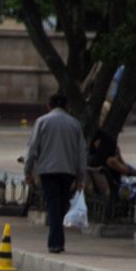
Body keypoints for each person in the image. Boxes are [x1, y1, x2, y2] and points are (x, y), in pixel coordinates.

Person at [24, 93, 87, 253]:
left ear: (49, 106)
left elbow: (32, 149)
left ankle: (55, 242)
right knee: (61, 203)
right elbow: (81, 154)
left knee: (53, 204)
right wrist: (81, 177)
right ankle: (57, 241)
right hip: (68, 171)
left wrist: (28, 170)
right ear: (66, 107)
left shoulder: (42, 121)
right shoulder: (74, 124)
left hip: (47, 170)